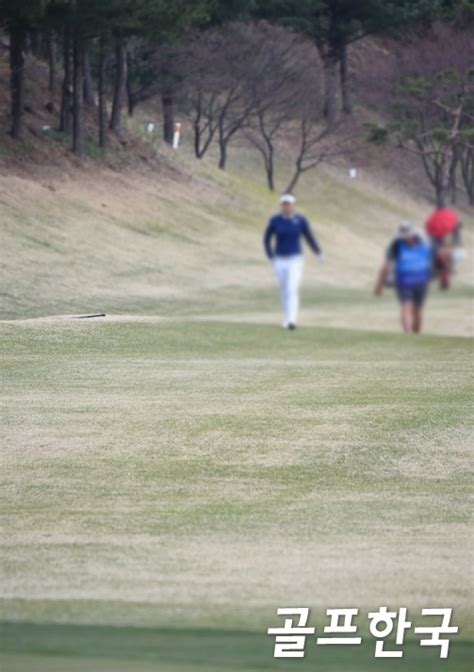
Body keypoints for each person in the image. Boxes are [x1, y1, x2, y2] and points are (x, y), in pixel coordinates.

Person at [264, 194, 322, 330]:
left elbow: (309, 237)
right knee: (284, 290)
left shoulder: (300, 220)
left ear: (293, 205)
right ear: (281, 205)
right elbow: (266, 240)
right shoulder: (275, 220)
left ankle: (292, 320)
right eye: (284, 204)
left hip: (295, 260)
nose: (287, 206)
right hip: (279, 260)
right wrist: (270, 255)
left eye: (289, 204)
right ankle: (286, 318)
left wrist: (317, 252)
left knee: (292, 288)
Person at [374, 221, 433, 334]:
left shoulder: (424, 242)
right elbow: (386, 265)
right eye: (404, 236)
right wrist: (379, 285)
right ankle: (408, 334)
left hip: (421, 282)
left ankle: (416, 334)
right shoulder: (396, 245)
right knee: (407, 305)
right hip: (404, 281)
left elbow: (433, 259)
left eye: (408, 235)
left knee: (417, 310)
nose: (407, 238)